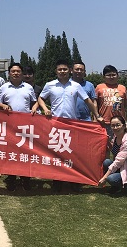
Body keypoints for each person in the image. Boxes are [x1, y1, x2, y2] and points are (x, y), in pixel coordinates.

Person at [37, 59, 103, 192]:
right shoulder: (50, 85)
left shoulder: (76, 86)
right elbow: (40, 98)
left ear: (69, 71)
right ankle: (57, 180)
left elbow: (88, 101)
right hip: (55, 124)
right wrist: (45, 108)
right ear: (56, 71)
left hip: (72, 124)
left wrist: (97, 115)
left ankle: (74, 181)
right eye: (60, 69)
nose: (62, 71)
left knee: (73, 154)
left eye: (65, 69)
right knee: (57, 154)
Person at [0, 63, 38, 191]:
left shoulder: (28, 87)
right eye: (13, 71)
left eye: (18, 71)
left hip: (26, 125)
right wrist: (4, 106)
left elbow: (34, 102)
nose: (16, 73)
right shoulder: (4, 87)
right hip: (10, 125)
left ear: (22, 73)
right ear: (9, 73)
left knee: (26, 152)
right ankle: (12, 178)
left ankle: (25, 179)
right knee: (11, 152)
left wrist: (34, 109)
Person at [99, 115, 127, 194]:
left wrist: (104, 177)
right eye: (113, 125)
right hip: (121, 166)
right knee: (106, 162)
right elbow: (114, 151)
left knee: (110, 178)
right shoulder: (116, 136)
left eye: (118, 125)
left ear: (124, 126)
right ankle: (116, 186)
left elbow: (118, 162)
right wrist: (106, 141)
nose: (115, 128)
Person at [96, 65, 127, 136]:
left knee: (119, 141)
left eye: (113, 75)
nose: (111, 77)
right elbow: (95, 104)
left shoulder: (122, 88)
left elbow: (124, 105)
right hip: (103, 122)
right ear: (103, 77)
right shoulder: (99, 87)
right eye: (108, 75)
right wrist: (97, 117)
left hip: (119, 123)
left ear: (117, 76)